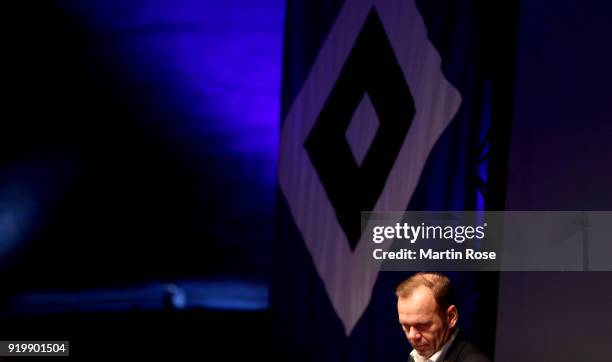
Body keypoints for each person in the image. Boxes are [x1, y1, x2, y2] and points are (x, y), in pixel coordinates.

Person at [396, 272, 491, 362]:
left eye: (422, 325)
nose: (411, 336)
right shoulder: (416, 356)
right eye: (406, 326)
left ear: (450, 317)